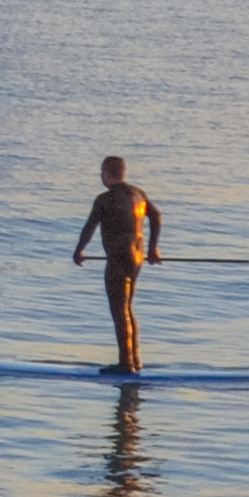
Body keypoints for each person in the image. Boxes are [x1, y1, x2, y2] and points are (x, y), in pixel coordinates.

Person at [71, 153, 161, 372]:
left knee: (119, 311)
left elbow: (89, 227)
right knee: (127, 308)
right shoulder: (139, 194)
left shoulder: (104, 199)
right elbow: (156, 217)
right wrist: (151, 249)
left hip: (118, 257)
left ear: (108, 174)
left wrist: (78, 251)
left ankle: (125, 364)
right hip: (137, 258)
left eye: (102, 173)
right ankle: (135, 360)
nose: (101, 177)